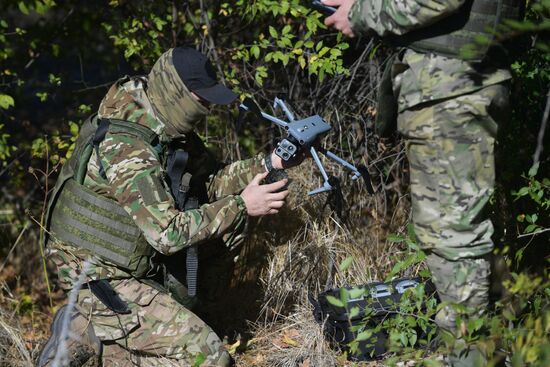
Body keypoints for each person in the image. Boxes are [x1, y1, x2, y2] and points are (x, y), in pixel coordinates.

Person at [38, 46, 300, 366]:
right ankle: (90, 344)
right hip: (99, 276)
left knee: (230, 231)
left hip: (137, 264)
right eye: (200, 100)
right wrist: (241, 206)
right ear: (176, 92)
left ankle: (161, 324)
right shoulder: (127, 147)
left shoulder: (166, 127)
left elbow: (210, 182)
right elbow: (167, 235)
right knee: (211, 358)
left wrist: (271, 162)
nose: (205, 108)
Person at [321, 0, 521, 365]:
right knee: (460, 227)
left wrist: (362, 13)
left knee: (452, 232)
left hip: (450, 88)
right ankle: (490, 349)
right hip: (461, 83)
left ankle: (474, 356)